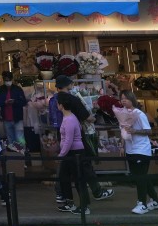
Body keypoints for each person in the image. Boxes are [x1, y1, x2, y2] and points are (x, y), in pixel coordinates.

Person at [47, 75, 112, 205]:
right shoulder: (72, 100)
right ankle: (92, 194)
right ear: (67, 85)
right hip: (77, 135)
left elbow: (52, 118)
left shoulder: (52, 100)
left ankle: (62, 194)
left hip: (61, 132)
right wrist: (92, 115)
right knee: (82, 164)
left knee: (65, 165)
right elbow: (87, 117)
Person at [119, 91, 158, 215]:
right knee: (140, 176)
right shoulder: (122, 114)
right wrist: (122, 146)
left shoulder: (139, 114)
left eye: (126, 98)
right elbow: (123, 131)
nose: (123, 100)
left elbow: (148, 130)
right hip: (130, 149)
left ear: (132, 99)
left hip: (141, 149)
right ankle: (156, 200)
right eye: (121, 98)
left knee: (140, 177)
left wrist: (134, 131)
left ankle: (142, 203)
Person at [56, 92, 91, 215]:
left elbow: (69, 140)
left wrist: (61, 154)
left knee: (78, 179)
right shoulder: (68, 118)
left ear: (61, 105)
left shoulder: (70, 119)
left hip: (74, 153)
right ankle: (69, 202)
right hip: (70, 153)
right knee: (64, 177)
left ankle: (84, 206)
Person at [0, 71, 28, 152]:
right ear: (3, 80)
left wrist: (15, 102)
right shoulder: (0, 90)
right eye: (6, 80)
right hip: (6, 118)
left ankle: (22, 154)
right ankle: (13, 156)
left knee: (20, 137)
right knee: (10, 138)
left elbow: (24, 102)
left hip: (17, 117)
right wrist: (4, 103)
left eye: (9, 80)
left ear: (12, 80)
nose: (7, 82)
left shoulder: (18, 89)